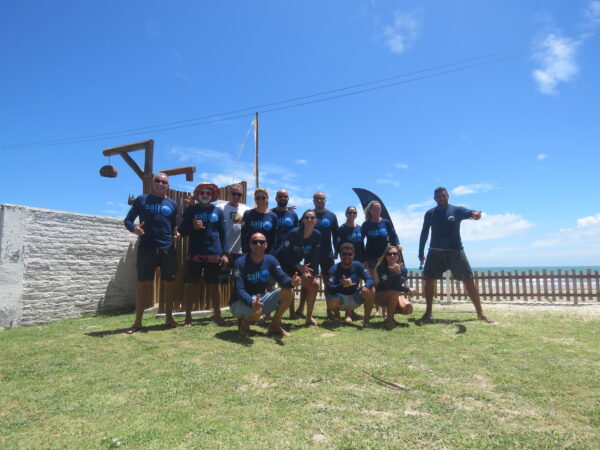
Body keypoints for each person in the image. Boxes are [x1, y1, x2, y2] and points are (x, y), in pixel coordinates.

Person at [418, 187, 493, 323]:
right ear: (435, 199)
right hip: (435, 251)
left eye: (444, 196)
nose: (441, 198)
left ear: (448, 196)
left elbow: (471, 213)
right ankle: (428, 313)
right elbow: (424, 232)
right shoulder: (430, 213)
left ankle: (480, 313)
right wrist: (420, 252)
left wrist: (476, 214)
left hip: (456, 251)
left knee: (468, 279)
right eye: (439, 196)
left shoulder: (456, 210)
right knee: (429, 280)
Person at [123, 172, 180, 334]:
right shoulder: (142, 200)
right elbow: (127, 220)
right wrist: (134, 228)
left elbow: (175, 224)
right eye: (158, 181)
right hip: (147, 248)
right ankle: (137, 323)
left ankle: (169, 318)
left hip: (167, 249)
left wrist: (176, 233)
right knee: (142, 284)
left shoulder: (172, 204)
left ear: (168, 186)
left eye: (164, 182)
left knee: (169, 284)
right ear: (152, 183)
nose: (161, 184)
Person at [230, 232, 301, 336]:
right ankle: (244, 322)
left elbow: (281, 277)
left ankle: (274, 326)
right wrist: (251, 302)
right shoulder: (240, 262)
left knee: (288, 290)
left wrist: (291, 282)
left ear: (266, 245)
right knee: (256, 314)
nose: (258, 244)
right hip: (239, 302)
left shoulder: (271, 260)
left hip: (259, 300)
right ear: (250, 245)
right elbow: (239, 288)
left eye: (261, 242)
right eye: (255, 242)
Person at [179, 182, 227, 326]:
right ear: (198, 195)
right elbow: (182, 231)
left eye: (208, 193)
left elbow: (223, 233)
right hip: (195, 252)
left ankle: (217, 316)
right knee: (190, 284)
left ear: (212, 195)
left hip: (214, 252)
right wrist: (192, 227)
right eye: (202, 193)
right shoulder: (191, 210)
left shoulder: (218, 211)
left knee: (215, 285)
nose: (205, 195)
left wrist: (224, 253)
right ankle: (188, 317)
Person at [274, 209, 321, 325]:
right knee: (288, 287)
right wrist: (298, 266)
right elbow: (284, 253)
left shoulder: (317, 235)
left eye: (312, 218)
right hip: (283, 262)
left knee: (314, 285)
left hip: (298, 265)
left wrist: (311, 273)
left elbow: (314, 255)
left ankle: (309, 317)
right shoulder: (294, 233)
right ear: (303, 220)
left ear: (316, 220)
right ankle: (285, 315)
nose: (309, 220)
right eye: (307, 217)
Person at [362, 200, 401, 316]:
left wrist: (397, 244)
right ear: (370, 210)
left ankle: (385, 309)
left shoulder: (386, 222)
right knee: (374, 283)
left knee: (384, 282)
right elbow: (360, 241)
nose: (378, 211)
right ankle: (377, 309)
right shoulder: (366, 224)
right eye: (375, 209)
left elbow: (393, 236)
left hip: (384, 257)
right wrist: (363, 258)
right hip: (371, 257)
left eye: (379, 209)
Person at [326, 243, 375, 327]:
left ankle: (366, 321)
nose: (347, 256)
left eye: (350, 254)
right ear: (340, 255)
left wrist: (366, 286)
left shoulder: (358, 265)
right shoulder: (334, 269)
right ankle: (337, 315)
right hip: (340, 299)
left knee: (372, 289)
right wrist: (342, 285)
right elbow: (330, 288)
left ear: (354, 255)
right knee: (331, 299)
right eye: (344, 254)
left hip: (354, 298)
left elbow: (370, 279)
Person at [374, 244, 415, 329]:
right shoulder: (381, 268)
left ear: (398, 255)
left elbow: (397, 286)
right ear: (386, 256)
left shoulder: (403, 270)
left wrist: (398, 273)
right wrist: (407, 289)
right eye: (389, 254)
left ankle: (391, 315)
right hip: (380, 296)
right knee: (394, 293)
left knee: (408, 308)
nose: (392, 255)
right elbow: (387, 286)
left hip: (394, 295)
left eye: (395, 253)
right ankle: (389, 321)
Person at [218, 183, 250, 263]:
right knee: (222, 275)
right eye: (234, 194)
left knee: (238, 275)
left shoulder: (247, 210)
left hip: (241, 252)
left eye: (239, 194)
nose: (236, 196)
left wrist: (244, 219)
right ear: (229, 194)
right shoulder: (220, 208)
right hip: (223, 251)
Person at [241, 188, 278, 254]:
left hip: (266, 254)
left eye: (263, 197)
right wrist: (244, 251)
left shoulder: (273, 216)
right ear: (255, 199)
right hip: (250, 254)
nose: (260, 200)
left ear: (267, 198)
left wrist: (271, 253)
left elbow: (274, 237)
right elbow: (243, 235)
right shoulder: (248, 214)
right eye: (258, 198)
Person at [272, 189, 298, 254]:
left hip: (289, 252)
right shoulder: (270, 213)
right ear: (276, 199)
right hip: (272, 252)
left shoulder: (293, 214)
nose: (282, 198)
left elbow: (297, 233)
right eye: (280, 196)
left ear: (288, 198)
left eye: (285, 196)